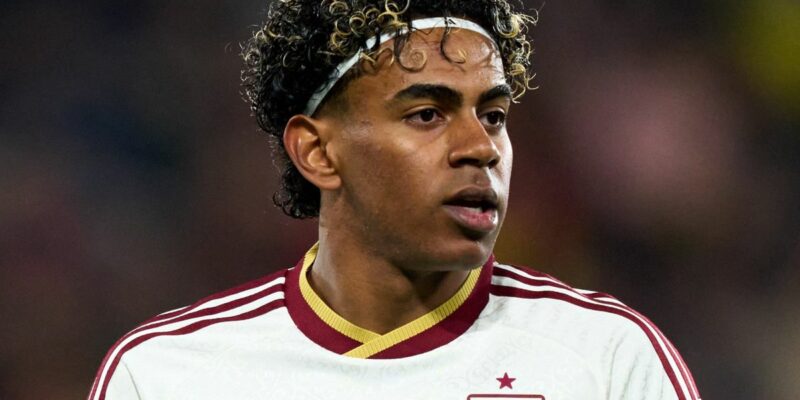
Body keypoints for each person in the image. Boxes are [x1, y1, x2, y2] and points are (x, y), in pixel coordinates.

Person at [88, 1, 701, 399]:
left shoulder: (606, 358)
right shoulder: (169, 375)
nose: (480, 148)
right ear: (317, 152)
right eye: (427, 113)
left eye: (493, 116)